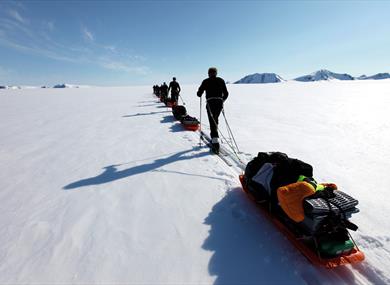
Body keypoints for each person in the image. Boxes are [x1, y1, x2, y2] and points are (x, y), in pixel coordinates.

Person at [197, 67, 229, 153]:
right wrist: (222, 100)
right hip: (219, 103)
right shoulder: (221, 80)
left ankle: (215, 142)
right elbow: (226, 93)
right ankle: (215, 137)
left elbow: (199, 93)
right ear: (216, 73)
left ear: (208, 73)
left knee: (212, 121)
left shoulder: (206, 81)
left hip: (210, 102)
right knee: (215, 119)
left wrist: (199, 93)